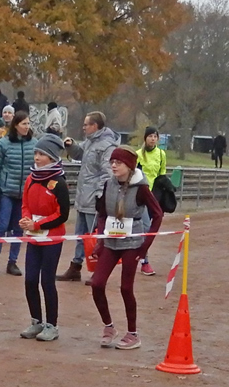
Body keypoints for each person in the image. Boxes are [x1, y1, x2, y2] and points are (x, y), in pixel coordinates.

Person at [90, 146, 163, 350]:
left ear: (129, 166)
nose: (113, 165)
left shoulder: (141, 188)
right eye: (112, 162)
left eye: (118, 163)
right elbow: (103, 213)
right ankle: (108, 326)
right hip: (111, 242)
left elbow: (157, 215)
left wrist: (145, 246)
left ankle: (133, 334)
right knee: (97, 283)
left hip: (132, 243)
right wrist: (100, 239)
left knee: (125, 288)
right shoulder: (109, 185)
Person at [17, 134, 69, 342]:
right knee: (30, 280)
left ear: (52, 157)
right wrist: (25, 219)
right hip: (33, 237)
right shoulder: (31, 178)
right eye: (36, 153)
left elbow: (62, 214)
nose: (37, 158)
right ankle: (35, 321)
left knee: (47, 281)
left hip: (52, 239)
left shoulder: (59, 183)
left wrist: (38, 224)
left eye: (42, 154)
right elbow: (25, 203)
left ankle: (52, 325)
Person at [57, 112, 119, 284]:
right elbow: (79, 154)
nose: (83, 127)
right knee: (80, 235)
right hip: (83, 197)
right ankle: (75, 267)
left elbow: (107, 174)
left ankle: (99, 271)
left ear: (95, 126)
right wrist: (71, 146)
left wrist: (100, 196)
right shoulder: (90, 142)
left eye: (86, 124)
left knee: (95, 237)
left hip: (94, 199)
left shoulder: (108, 146)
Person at [0, 111, 36, 276]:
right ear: (15, 125)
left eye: (28, 124)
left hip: (25, 194)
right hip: (6, 191)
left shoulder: (34, 144)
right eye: (24, 124)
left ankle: (12, 262)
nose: (27, 127)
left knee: (18, 228)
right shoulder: (3, 143)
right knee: (1, 226)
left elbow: (37, 166)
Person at [135, 126, 165, 276]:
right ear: (145, 138)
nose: (153, 138)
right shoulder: (138, 154)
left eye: (155, 136)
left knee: (148, 228)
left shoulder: (161, 154)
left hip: (154, 196)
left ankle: (139, 257)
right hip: (140, 195)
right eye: (150, 136)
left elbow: (162, 174)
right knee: (145, 228)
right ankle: (144, 261)